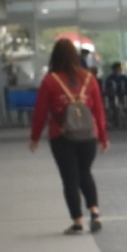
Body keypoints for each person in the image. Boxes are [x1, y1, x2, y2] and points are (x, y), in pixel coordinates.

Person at [27, 37, 108, 234]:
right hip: (88, 135)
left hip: (62, 136)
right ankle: (95, 213)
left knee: (70, 178)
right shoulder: (89, 78)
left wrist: (35, 137)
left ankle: (78, 222)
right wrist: (103, 137)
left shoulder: (50, 80)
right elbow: (98, 110)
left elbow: (40, 112)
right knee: (85, 173)